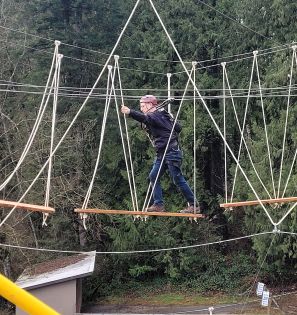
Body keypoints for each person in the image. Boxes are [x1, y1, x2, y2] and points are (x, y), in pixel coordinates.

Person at [121, 95, 200, 213]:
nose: (141, 108)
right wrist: (169, 120)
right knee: (153, 176)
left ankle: (194, 205)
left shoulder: (156, 116)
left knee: (177, 178)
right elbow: (178, 128)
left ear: (149, 105)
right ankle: (159, 204)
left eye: (142, 106)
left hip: (171, 152)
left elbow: (146, 119)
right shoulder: (163, 115)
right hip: (162, 153)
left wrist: (130, 112)